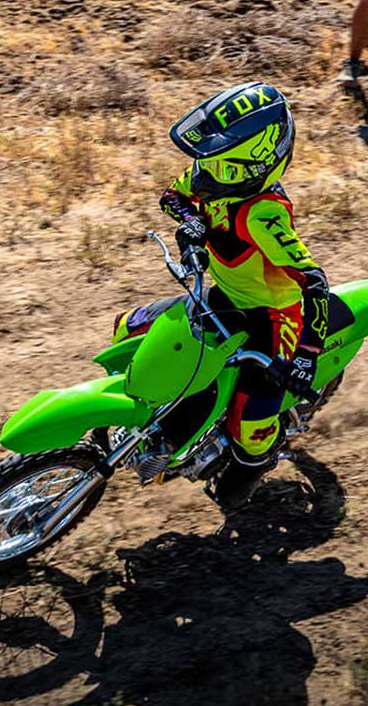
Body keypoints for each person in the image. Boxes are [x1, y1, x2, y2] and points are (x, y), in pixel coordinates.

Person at [109, 82, 331, 510]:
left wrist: (305, 355)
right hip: (223, 297)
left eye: (222, 168)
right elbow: (172, 197)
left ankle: (252, 465)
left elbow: (315, 284)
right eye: (206, 163)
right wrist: (191, 223)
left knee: (251, 426)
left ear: (255, 166)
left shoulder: (264, 215)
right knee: (127, 328)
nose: (205, 176)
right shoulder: (214, 176)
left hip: (274, 319)